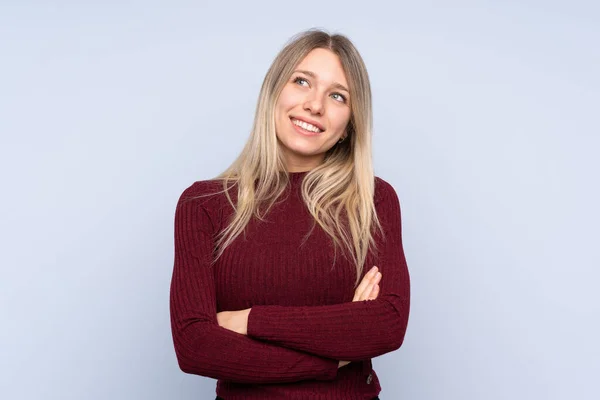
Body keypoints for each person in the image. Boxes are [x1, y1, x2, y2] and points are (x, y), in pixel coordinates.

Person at [169, 28, 410, 399]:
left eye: (337, 96)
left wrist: (247, 320)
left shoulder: (372, 201)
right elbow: (195, 346)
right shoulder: (203, 205)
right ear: (273, 92)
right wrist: (333, 358)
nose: (315, 105)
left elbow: (386, 324)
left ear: (349, 125)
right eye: (302, 82)